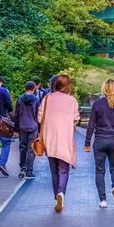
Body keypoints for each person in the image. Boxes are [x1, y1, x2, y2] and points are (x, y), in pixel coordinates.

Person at [84, 79, 114, 208]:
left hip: (100, 141)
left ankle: (103, 200)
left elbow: (91, 125)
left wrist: (87, 142)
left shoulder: (97, 105)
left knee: (100, 171)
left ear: (104, 89)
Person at [38, 74, 80, 213]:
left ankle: (57, 197)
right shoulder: (72, 101)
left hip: (50, 139)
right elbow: (75, 120)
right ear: (67, 85)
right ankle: (61, 193)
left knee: (54, 171)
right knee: (63, 170)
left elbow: (39, 118)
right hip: (64, 140)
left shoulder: (47, 98)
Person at [15, 81, 40, 180]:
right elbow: (38, 115)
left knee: (22, 147)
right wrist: (40, 129)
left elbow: (17, 115)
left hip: (22, 126)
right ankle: (29, 171)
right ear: (34, 89)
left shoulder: (20, 99)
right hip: (33, 127)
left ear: (25, 88)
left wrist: (15, 129)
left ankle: (22, 167)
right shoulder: (36, 100)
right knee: (31, 149)